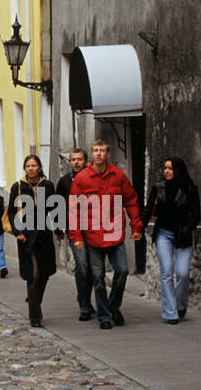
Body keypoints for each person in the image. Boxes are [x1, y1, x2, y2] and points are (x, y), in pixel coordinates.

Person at [68, 139, 143, 330]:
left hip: (114, 235)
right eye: (95, 150)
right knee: (98, 278)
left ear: (108, 154)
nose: (98, 154)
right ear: (92, 155)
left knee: (123, 271)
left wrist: (136, 227)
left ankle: (112, 306)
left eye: (102, 150)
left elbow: (131, 201)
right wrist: (76, 236)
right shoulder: (82, 178)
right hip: (92, 236)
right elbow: (74, 209)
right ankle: (104, 317)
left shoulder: (118, 176)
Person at [143, 157, 201, 324]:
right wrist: (139, 229)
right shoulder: (158, 188)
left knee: (182, 273)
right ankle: (170, 312)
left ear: (178, 170)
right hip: (163, 234)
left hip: (183, 236)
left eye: (170, 168)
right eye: (165, 168)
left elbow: (196, 215)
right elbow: (148, 210)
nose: (166, 171)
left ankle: (180, 304)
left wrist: (186, 228)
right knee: (167, 272)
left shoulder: (190, 189)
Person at [8, 155, 57, 327]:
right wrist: (18, 232)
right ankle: (35, 317)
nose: (30, 168)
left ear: (40, 168)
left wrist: (59, 230)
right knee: (32, 274)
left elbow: (54, 209)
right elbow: (12, 212)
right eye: (27, 166)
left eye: (34, 165)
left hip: (44, 234)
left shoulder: (48, 185)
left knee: (44, 274)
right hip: (26, 236)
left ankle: (34, 301)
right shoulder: (18, 187)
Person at [56, 148, 94, 320]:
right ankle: (85, 307)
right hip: (74, 230)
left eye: (79, 159)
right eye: (73, 159)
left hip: (93, 230)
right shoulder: (64, 182)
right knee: (82, 264)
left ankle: (84, 296)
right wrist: (58, 229)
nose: (76, 162)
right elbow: (58, 206)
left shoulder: (94, 179)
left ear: (86, 161)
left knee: (93, 269)